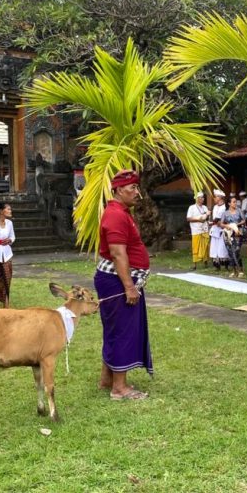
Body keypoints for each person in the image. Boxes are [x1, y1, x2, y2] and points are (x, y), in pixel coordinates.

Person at [95, 169, 152, 400]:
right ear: (119, 190)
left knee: (115, 328)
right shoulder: (116, 215)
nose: (137, 192)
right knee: (123, 330)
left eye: (137, 187)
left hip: (118, 281)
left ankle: (107, 379)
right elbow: (118, 254)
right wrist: (129, 286)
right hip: (118, 282)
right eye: (133, 188)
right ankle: (119, 388)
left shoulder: (120, 212)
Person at [222, 196, 246, 277]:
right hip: (228, 234)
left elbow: (244, 220)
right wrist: (228, 226)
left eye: (236, 201)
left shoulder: (239, 211)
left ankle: (241, 270)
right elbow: (221, 223)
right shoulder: (225, 213)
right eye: (234, 202)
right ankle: (234, 270)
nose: (235, 203)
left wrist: (236, 225)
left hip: (238, 233)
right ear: (229, 203)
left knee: (237, 251)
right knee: (230, 252)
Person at [186, 192, 210, 270]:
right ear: (197, 199)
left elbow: (207, 218)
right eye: (201, 197)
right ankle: (194, 264)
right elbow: (188, 218)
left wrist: (207, 216)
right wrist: (198, 219)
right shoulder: (191, 207)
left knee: (206, 246)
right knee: (195, 247)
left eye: (203, 197)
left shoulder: (205, 207)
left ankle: (206, 262)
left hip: (204, 229)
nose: (202, 199)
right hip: (196, 230)